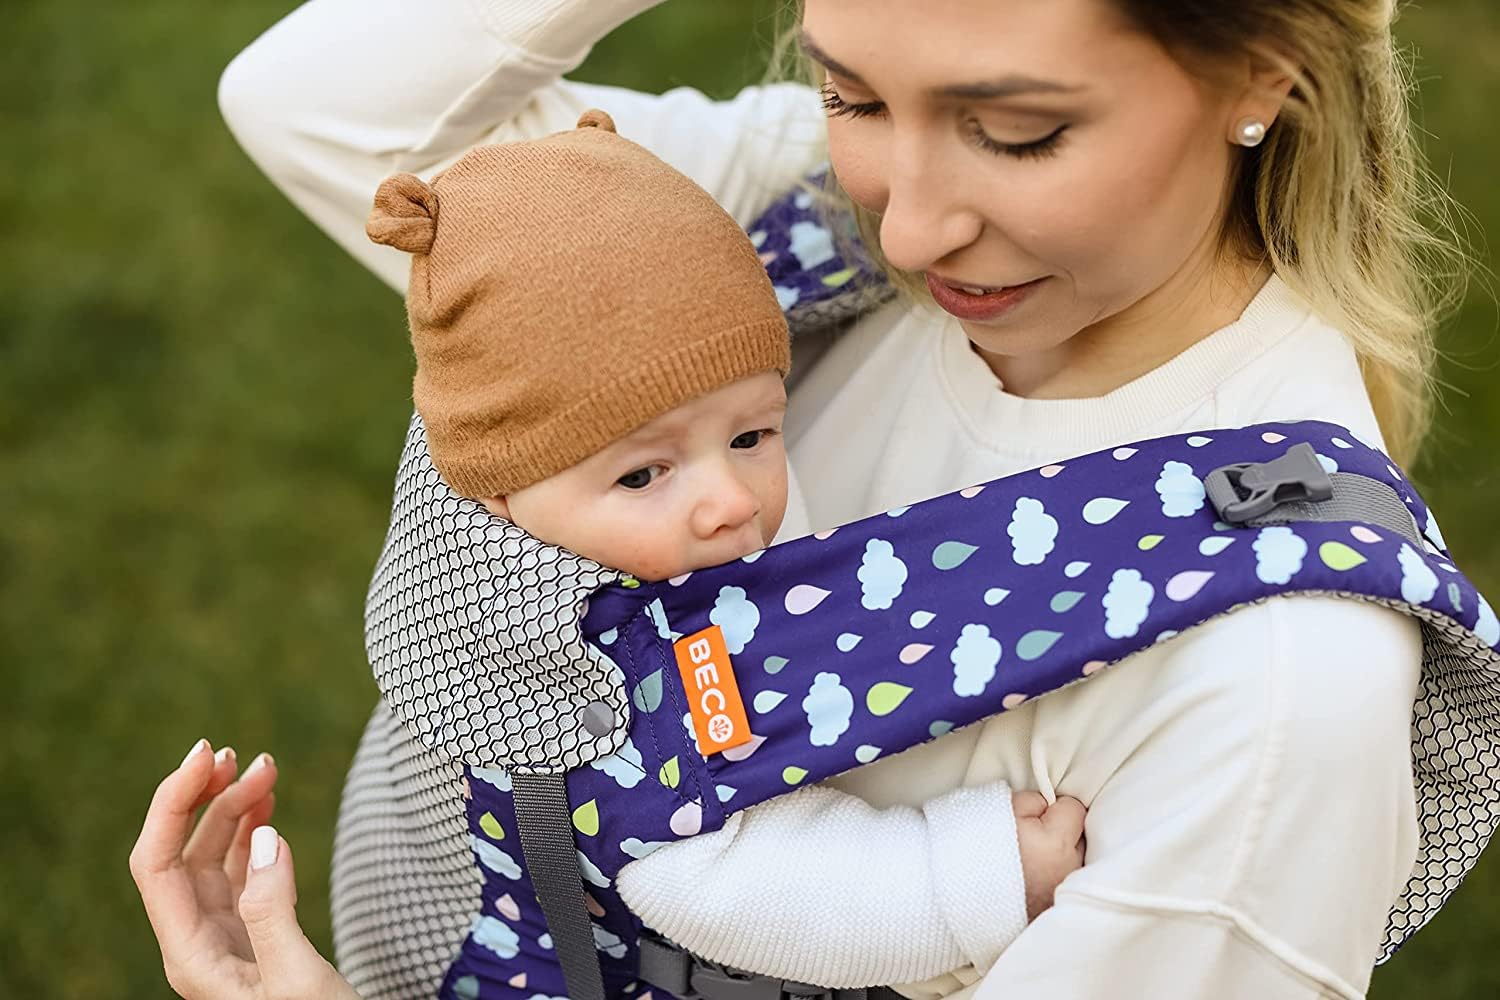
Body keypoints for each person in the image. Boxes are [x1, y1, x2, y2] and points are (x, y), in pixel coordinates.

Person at [134, 0, 1469, 997]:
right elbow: (321, 111)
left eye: (1016, 132)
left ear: (1261, 72)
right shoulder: (792, 210)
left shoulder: (1272, 691)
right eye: (853, 94)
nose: (907, 229)